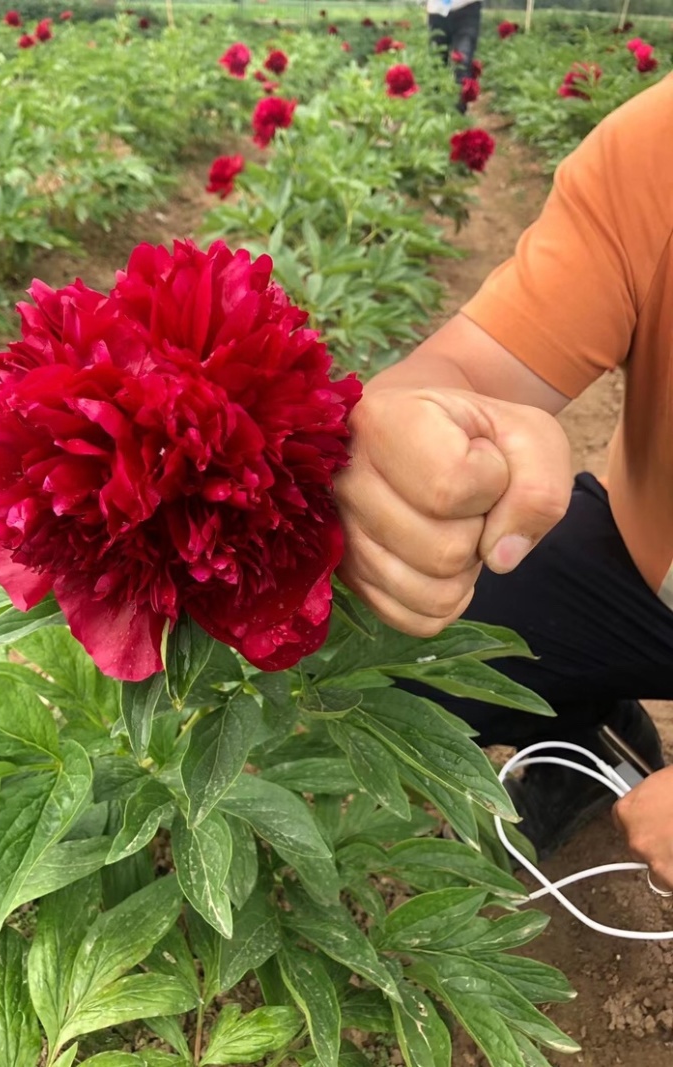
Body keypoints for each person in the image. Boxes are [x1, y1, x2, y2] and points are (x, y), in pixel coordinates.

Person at [335, 73, 673, 894]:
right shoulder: (657, 149)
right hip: (652, 569)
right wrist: (404, 442)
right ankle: (588, 744)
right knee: (388, 642)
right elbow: (464, 369)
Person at [426, 0, 482, 110]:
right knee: (436, 63)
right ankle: (437, 112)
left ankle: (458, 115)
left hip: (466, 8)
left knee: (462, 62)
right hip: (437, 10)